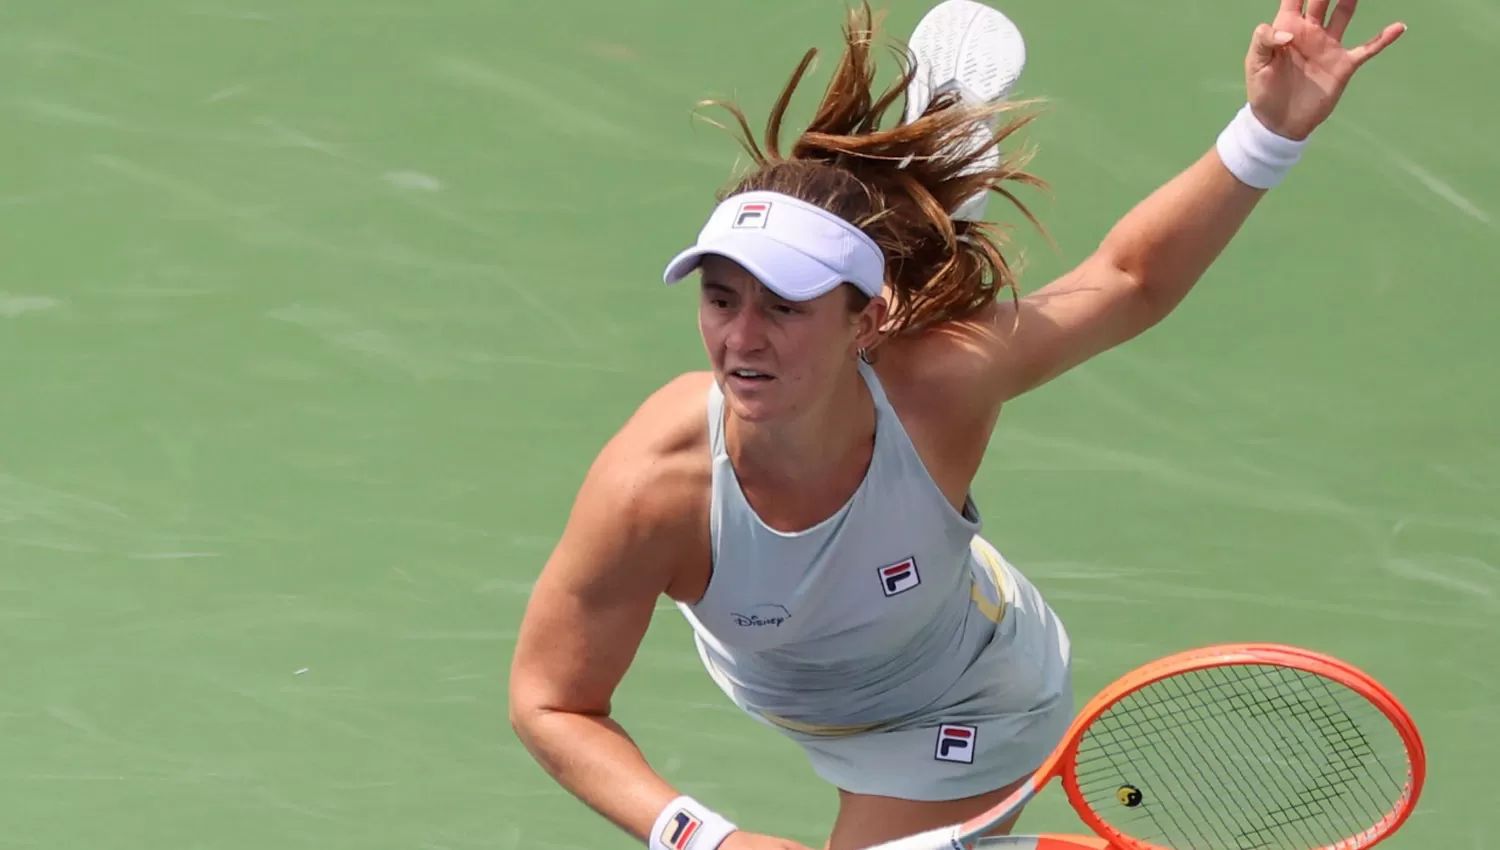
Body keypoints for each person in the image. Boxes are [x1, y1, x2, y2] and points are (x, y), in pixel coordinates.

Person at [508, 2, 1406, 850]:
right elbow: (552, 702)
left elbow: (1130, 280)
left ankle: (918, 213)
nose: (740, 339)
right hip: (802, 676)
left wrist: (1270, 131)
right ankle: (928, 191)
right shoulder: (653, 489)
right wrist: (707, 837)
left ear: (862, 323)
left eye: (784, 307)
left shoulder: (938, 385)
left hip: (961, 703)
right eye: (720, 297)